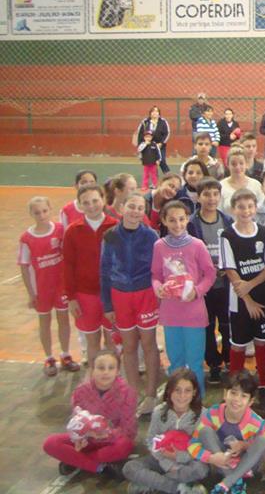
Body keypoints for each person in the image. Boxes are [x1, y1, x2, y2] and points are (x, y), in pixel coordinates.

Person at [100, 193, 161, 415]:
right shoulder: (110, 236)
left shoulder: (151, 235)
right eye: (131, 206)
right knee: (129, 346)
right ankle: (132, 394)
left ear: (144, 212)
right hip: (120, 296)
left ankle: (151, 394)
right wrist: (107, 305)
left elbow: (158, 268)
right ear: (122, 208)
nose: (135, 211)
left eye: (140, 208)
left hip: (145, 295)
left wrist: (159, 296)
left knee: (149, 343)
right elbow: (104, 271)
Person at [152, 200, 217, 396]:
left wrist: (197, 291)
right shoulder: (159, 246)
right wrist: (158, 288)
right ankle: (176, 400)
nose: (177, 224)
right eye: (172, 220)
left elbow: (210, 274)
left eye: (181, 219)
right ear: (164, 220)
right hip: (171, 314)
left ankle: (197, 400)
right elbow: (155, 275)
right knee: (175, 362)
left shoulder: (197, 245)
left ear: (188, 219)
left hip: (193, 313)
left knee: (195, 362)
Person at [221, 188, 265, 407]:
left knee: (263, 343)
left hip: (263, 297)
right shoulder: (227, 235)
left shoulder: (264, 233)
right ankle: (234, 389)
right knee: (238, 346)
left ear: (255, 208)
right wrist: (248, 300)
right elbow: (230, 270)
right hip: (240, 301)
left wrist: (251, 286)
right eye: (240, 207)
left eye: (249, 206)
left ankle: (263, 386)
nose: (245, 211)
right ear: (233, 209)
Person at [43, 349, 137, 479]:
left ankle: (75, 460)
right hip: (87, 440)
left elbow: (128, 429)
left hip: (112, 441)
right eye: (101, 368)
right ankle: (99, 467)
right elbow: (76, 421)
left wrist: (105, 434)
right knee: (50, 443)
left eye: (111, 368)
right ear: (93, 370)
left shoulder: (127, 392)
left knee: (124, 446)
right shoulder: (81, 391)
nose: (106, 372)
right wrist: (79, 438)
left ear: (117, 371)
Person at [122, 368, 208, 494]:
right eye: (177, 390)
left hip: (187, 462)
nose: (182, 396)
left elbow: (202, 448)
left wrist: (179, 457)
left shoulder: (203, 415)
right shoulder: (159, 411)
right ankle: (178, 488)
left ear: (194, 392)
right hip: (160, 459)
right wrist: (167, 464)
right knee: (130, 468)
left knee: (201, 469)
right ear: (169, 391)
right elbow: (151, 440)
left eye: (187, 391)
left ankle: (150, 485)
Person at [20, 196, 78, 377]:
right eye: (37, 212)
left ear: (50, 209)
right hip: (41, 288)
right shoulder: (27, 238)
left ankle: (65, 354)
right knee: (44, 321)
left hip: (61, 286)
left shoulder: (60, 230)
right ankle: (48, 357)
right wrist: (31, 293)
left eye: (44, 211)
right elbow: (24, 266)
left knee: (63, 319)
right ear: (31, 214)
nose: (42, 215)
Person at [187, 369, 265, 494]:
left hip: (246, 467)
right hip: (221, 464)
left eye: (243, 396)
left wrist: (245, 445)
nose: (237, 399)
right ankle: (234, 482)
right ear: (225, 394)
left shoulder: (257, 423)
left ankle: (228, 482)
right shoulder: (212, 413)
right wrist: (212, 458)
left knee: (263, 441)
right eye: (233, 393)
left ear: (251, 402)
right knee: (205, 431)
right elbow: (192, 444)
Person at [62, 184, 118, 358]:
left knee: (113, 340)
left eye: (95, 200)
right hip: (85, 295)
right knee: (92, 341)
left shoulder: (116, 227)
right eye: (85, 202)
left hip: (111, 294)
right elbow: (68, 265)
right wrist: (71, 298)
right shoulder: (72, 231)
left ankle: (114, 375)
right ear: (79, 205)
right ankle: (94, 374)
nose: (91, 206)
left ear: (103, 200)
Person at [187, 178, 233, 384]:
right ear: (198, 197)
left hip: (225, 285)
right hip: (203, 287)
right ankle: (213, 363)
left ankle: (230, 359)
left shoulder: (227, 221)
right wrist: (206, 271)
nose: (211, 198)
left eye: (215, 194)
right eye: (206, 194)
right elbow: (189, 255)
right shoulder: (191, 224)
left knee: (227, 325)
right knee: (207, 326)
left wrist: (227, 268)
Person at [135, 106, 172, 174]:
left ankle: (168, 174)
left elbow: (167, 133)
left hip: (160, 145)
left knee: (161, 160)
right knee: (151, 163)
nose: (155, 113)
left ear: (159, 113)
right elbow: (140, 134)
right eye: (153, 111)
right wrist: (141, 144)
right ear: (150, 113)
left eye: (156, 111)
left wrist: (161, 143)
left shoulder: (163, 122)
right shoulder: (145, 122)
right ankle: (155, 179)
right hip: (148, 146)